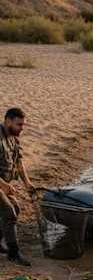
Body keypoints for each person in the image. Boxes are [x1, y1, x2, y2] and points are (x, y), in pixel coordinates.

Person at [0, 107, 35, 266]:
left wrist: (27, 182)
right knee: (9, 212)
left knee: (17, 208)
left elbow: (19, 163)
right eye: (19, 124)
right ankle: (14, 254)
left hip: (4, 185)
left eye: (23, 125)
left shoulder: (14, 138)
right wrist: (4, 185)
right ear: (8, 121)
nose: (22, 128)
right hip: (1, 185)